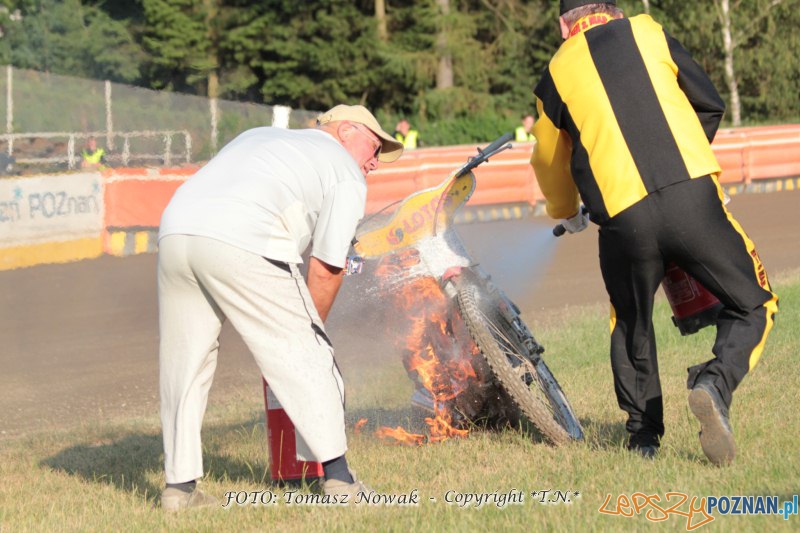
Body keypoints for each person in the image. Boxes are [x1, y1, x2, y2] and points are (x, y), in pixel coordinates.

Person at [530, 0, 778, 465]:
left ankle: (643, 439)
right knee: (755, 304)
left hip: (624, 220)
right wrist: (685, 162)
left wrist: (565, 211)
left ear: (566, 26)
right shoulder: (649, 30)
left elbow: (547, 160)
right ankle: (714, 383)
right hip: (693, 198)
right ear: (614, 11)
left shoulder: (556, 72)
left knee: (630, 324)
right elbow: (709, 102)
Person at [157, 104, 403, 510]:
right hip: (245, 234)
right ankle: (342, 484)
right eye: (374, 146)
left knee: (185, 362)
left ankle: (179, 490)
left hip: (176, 230)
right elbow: (326, 269)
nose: (375, 162)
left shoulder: (259, 135)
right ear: (344, 132)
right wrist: (308, 331)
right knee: (309, 353)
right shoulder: (343, 167)